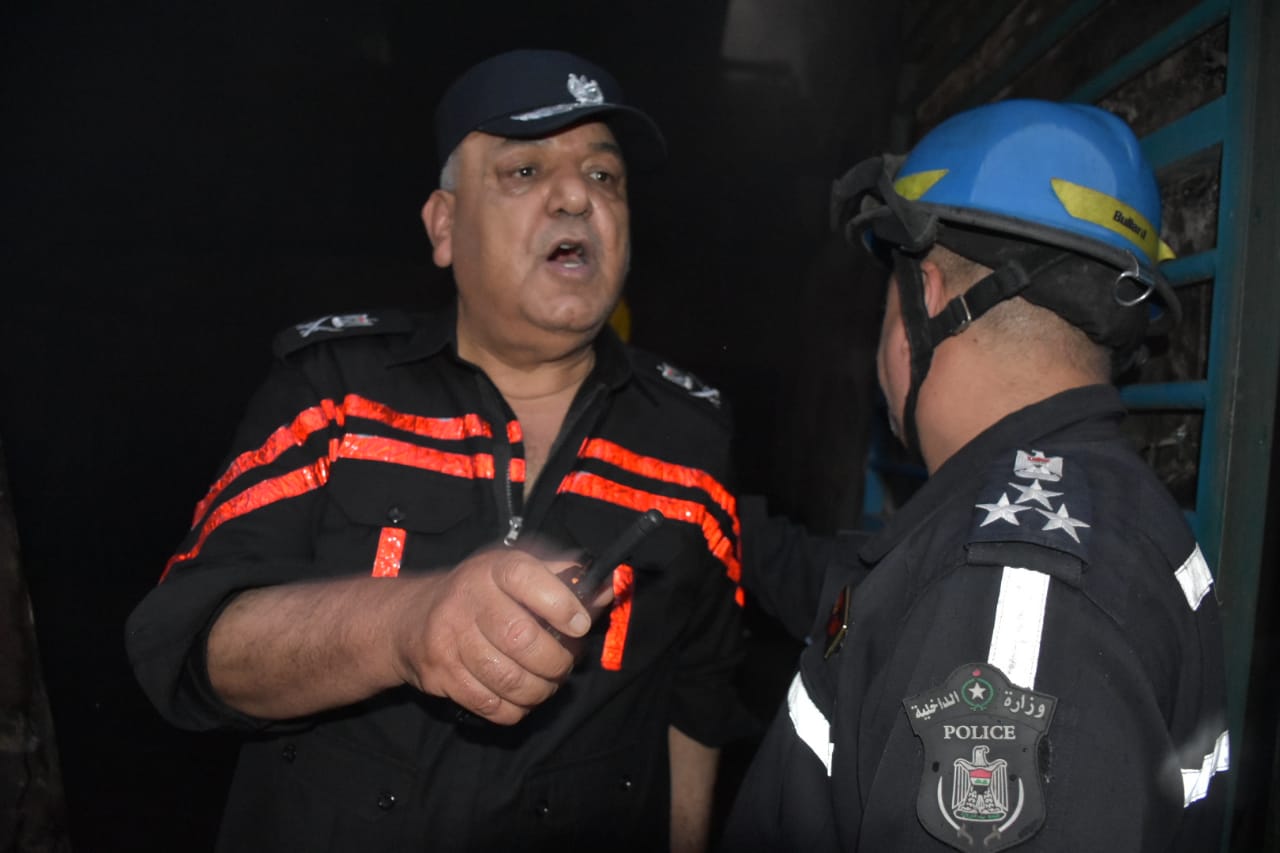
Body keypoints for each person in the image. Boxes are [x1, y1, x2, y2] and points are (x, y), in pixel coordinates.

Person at [126, 49, 745, 853]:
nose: (576, 197)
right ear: (444, 226)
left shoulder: (690, 439)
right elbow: (190, 645)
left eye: (604, 175)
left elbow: (697, 699)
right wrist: (405, 625)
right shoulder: (335, 394)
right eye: (525, 171)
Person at [721, 99, 1229, 851]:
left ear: (926, 297)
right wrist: (720, 523)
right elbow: (875, 605)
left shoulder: (1014, 600)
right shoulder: (1083, 514)